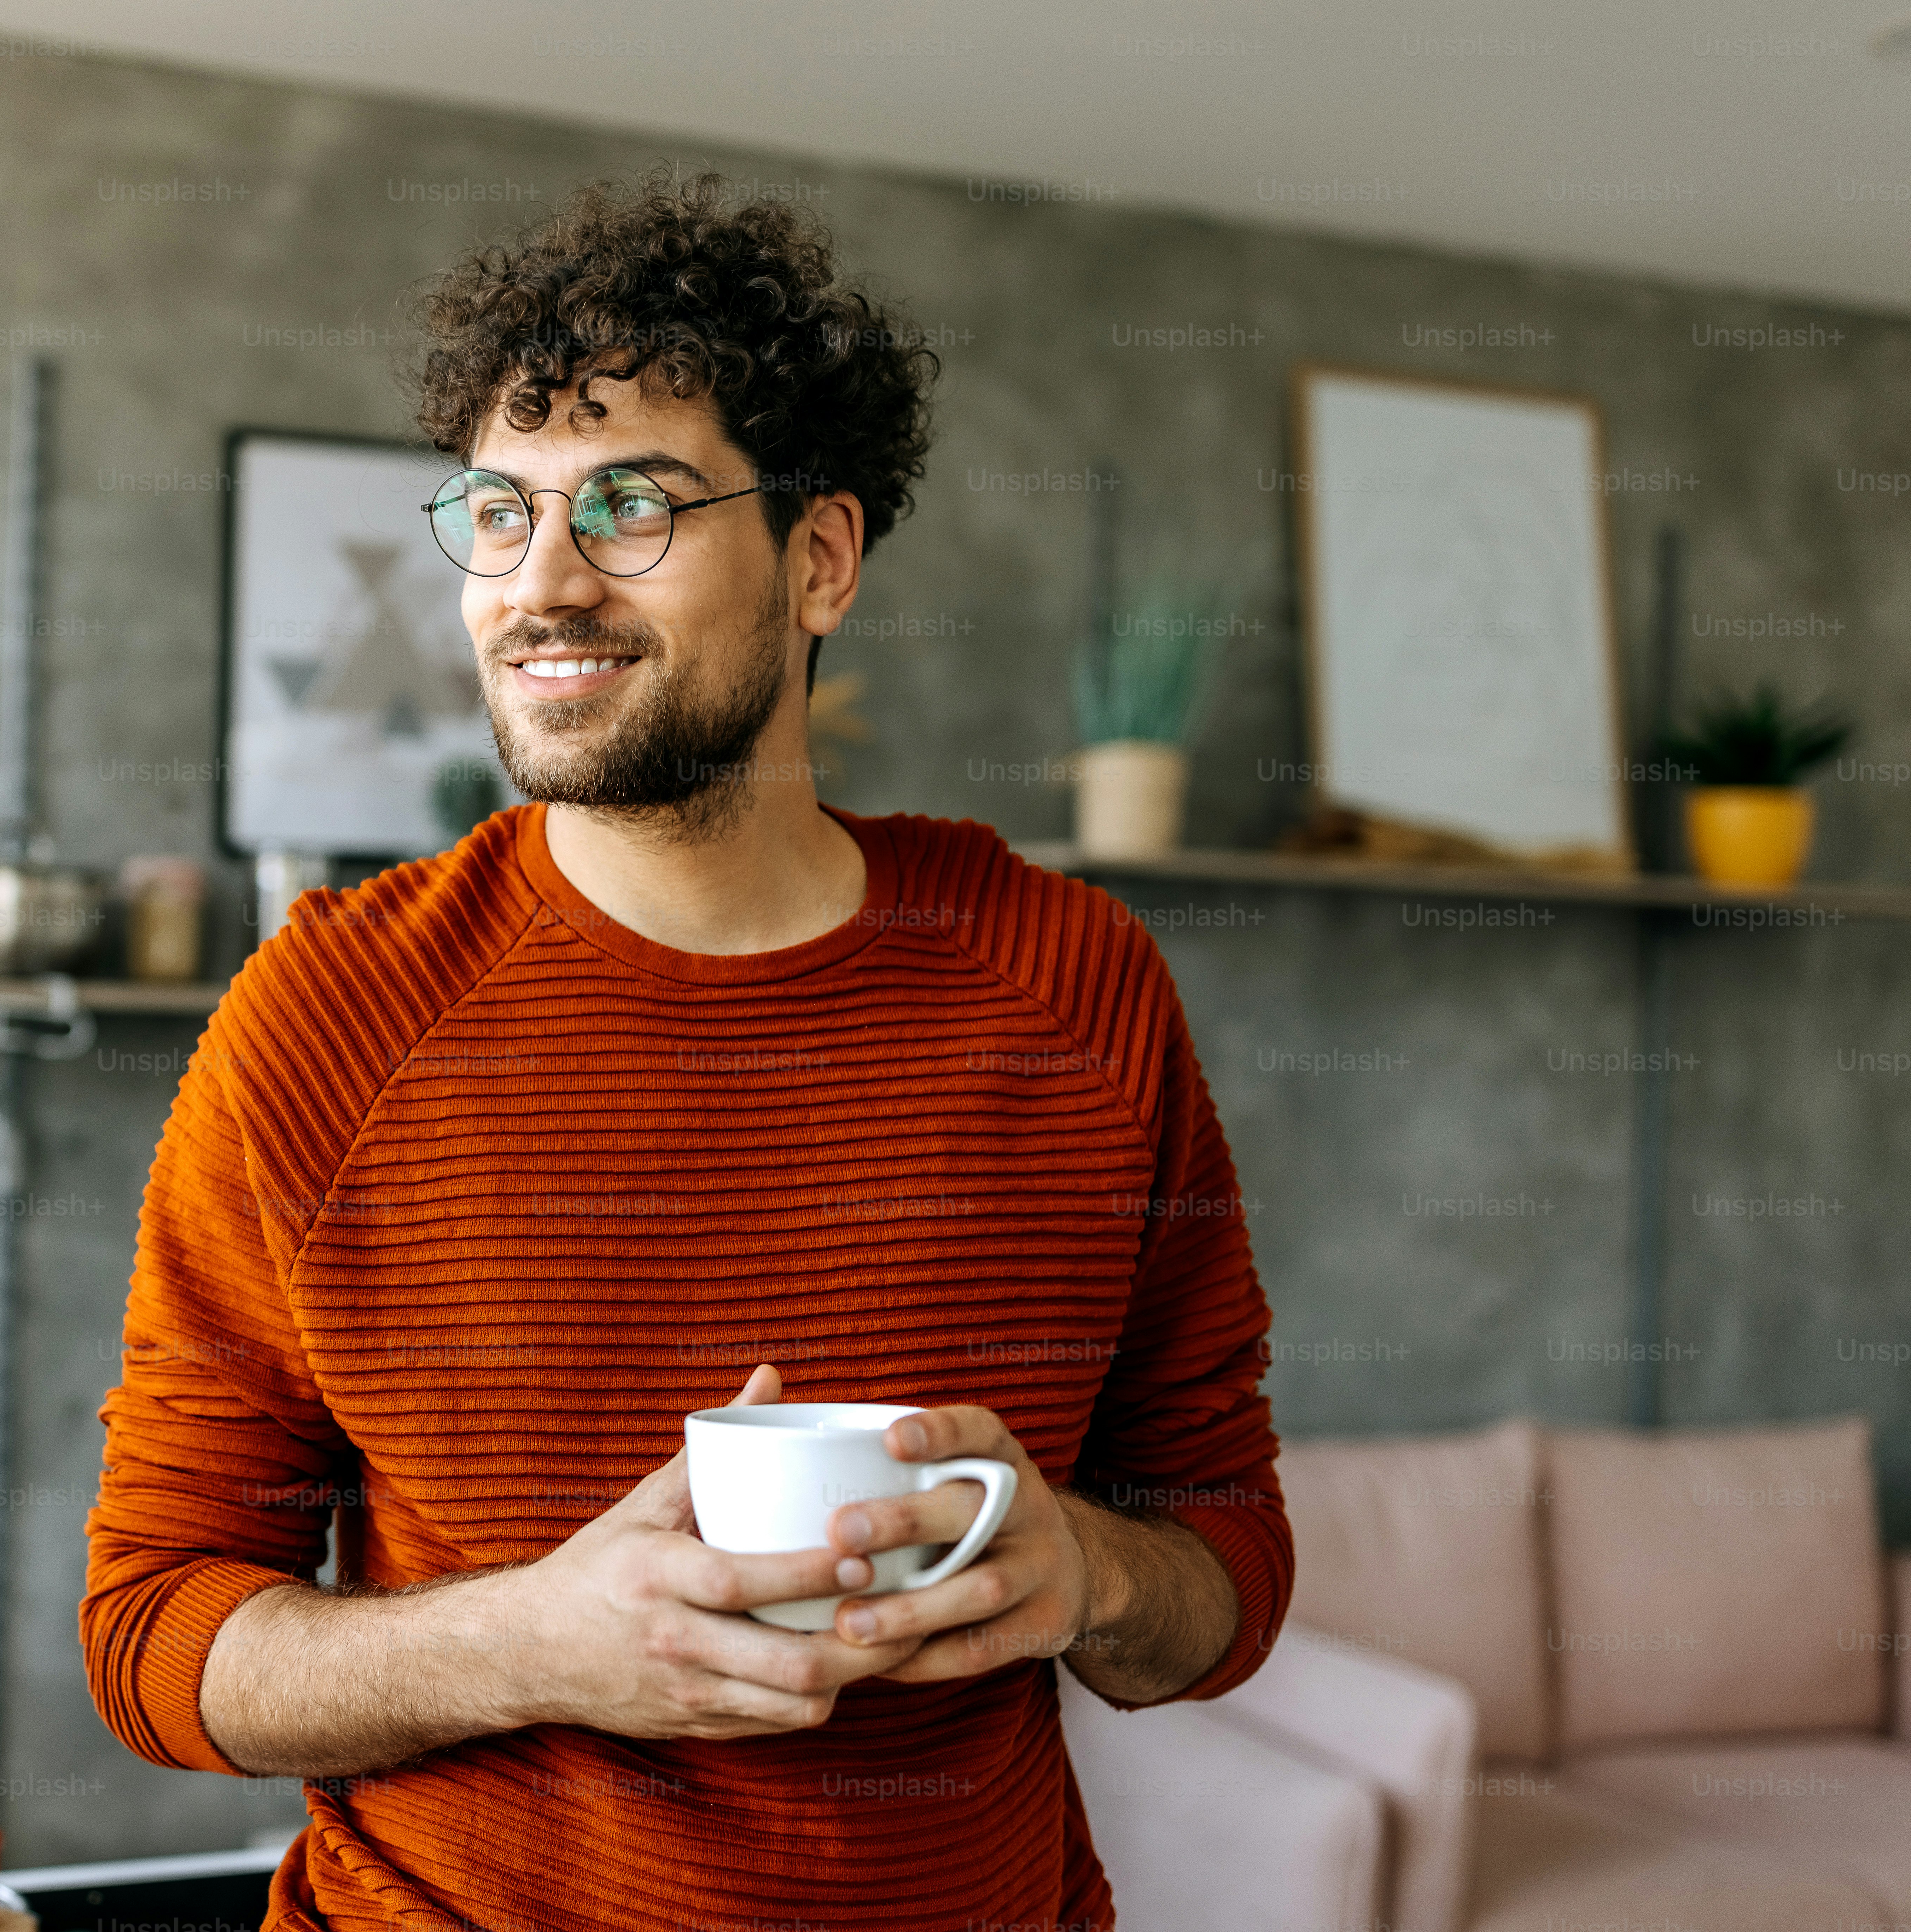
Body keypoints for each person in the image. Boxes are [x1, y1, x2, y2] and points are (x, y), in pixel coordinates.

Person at [82, 171, 1287, 1932]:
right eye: (498, 512)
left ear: (819, 559)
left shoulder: (1073, 984)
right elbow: (152, 1636)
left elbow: (1222, 1571)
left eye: (630, 504)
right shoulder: (322, 1021)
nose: (539, 584)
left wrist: (1082, 1571)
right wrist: (538, 1644)